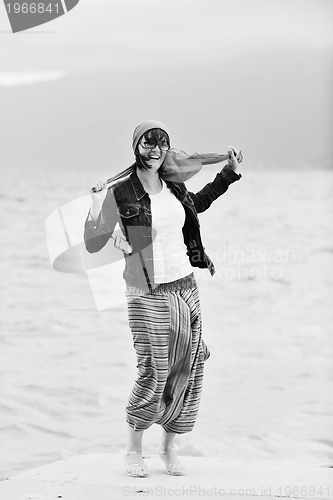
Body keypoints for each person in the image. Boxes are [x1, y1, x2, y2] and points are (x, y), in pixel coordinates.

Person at [84, 120, 242, 477]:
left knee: (192, 361)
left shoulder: (174, 186)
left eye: (161, 144)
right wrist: (96, 203)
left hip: (184, 284)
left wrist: (229, 174)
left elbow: (198, 205)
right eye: (147, 143)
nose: (154, 150)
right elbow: (95, 242)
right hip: (146, 288)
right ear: (136, 147)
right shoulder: (121, 192)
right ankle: (132, 449)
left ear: (166, 149)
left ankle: (169, 448)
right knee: (154, 367)